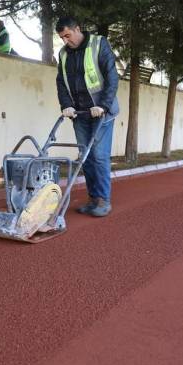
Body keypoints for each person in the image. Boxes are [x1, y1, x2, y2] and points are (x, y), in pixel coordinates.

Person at [55, 16, 119, 217]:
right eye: (62, 38)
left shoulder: (98, 44)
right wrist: (66, 105)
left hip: (101, 112)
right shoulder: (64, 54)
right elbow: (61, 82)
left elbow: (111, 76)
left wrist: (103, 105)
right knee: (86, 158)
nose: (66, 41)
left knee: (99, 156)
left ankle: (103, 200)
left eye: (68, 35)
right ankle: (93, 200)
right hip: (80, 114)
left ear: (77, 29)